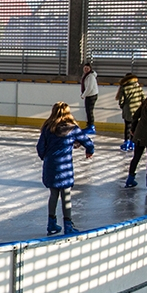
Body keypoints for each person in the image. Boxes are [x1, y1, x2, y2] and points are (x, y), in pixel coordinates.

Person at [37, 102, 95, 235]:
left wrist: (46, 157)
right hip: (65, 167)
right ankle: (68, 225)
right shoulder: (73, 129)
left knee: (53, 194)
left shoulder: (47, 128)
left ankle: (51, 224)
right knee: (66, 195)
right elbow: (87, 141)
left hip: (51, 165)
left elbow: (40, 147)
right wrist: (89, 150)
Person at [116, 73, 144, 151]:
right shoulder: (138, 87)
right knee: (134, 126)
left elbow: (121, 100)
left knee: (128, 126)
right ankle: (133, 142)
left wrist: (123, 107)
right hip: (137, 110)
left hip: (128, 109)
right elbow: (143, 98)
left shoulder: (124, 88)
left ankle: (127, 141)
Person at [79, 62, 98, 134]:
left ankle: (91, 126)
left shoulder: (91, 76)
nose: (86, 69)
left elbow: (89, 87)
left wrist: (83, 95)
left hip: (91, 95)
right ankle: (89, 125)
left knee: (89, 111)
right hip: (89, 95)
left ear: (90, 69)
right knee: (88, 111)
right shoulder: (86, 75)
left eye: (87, 68)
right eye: (85, 68)